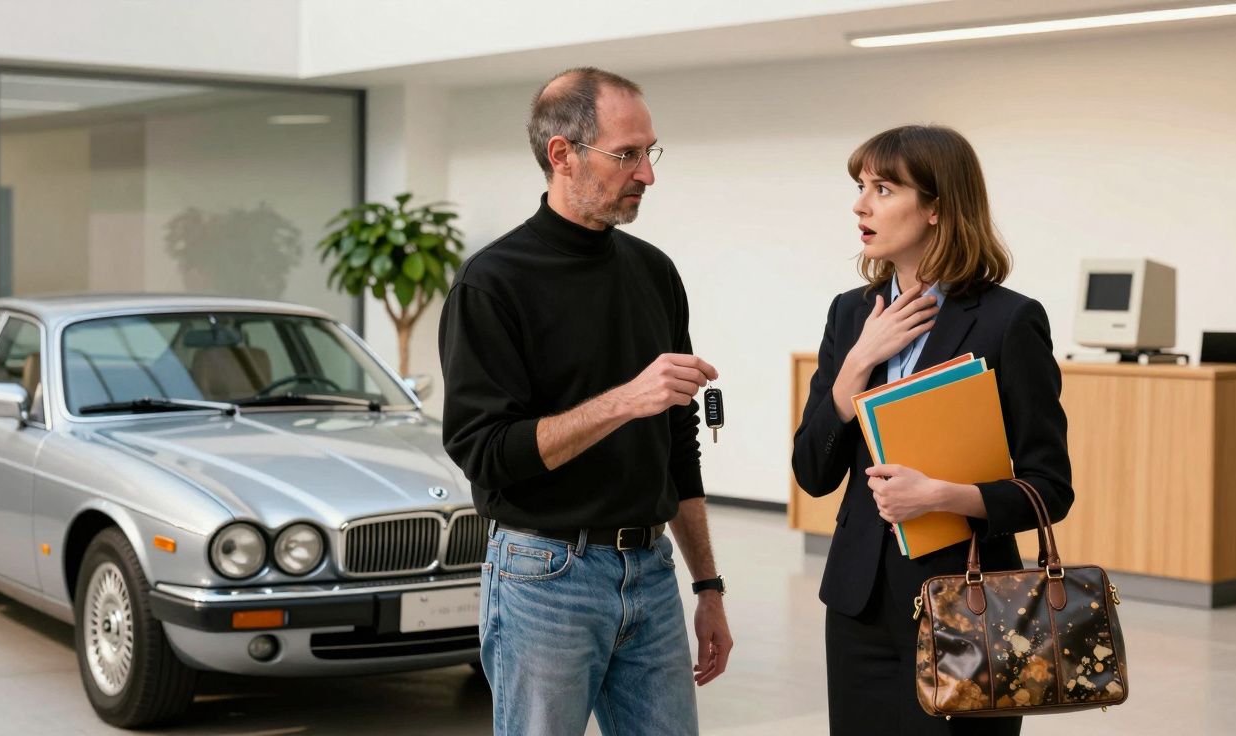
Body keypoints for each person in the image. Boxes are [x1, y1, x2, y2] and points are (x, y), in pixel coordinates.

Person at [439, 67, 733, 736]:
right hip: (545, 579)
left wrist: (708, 586)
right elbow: (488, 454)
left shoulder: (653, 272)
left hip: (652, 575)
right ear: (562, 155)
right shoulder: (492, 284)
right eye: (625, 154)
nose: (646, 175)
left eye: (649, 152)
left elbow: (677, 447)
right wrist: (625, 401)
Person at [791, 124, 1074, 735]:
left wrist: (940, 497)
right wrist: (856, 366)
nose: (861, 204)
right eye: (861, 186)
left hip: (969, 603)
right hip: (859, 603)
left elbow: (1050, 487)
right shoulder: (851, 313)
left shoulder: (1009, 320)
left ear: (937, 207)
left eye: (884, 188)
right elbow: (812, 473)